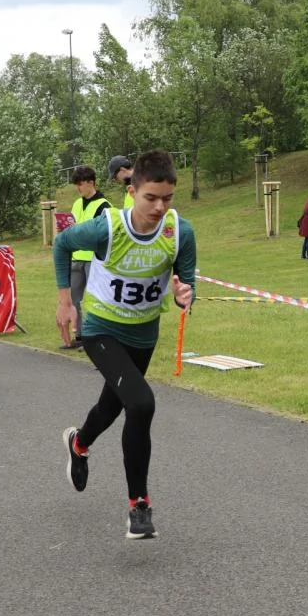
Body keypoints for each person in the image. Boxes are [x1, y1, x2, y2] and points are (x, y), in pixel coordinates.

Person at [53, 149, 197, 540]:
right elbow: (62, 244)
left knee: (112, 406)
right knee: (141, 403)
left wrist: (185, 294)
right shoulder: (107, 228)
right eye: (151, 197)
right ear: (132, 191)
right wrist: (66, 302)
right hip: (101, 330)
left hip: (143, 335)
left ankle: (79, 443)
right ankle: (139, 506)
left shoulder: (180, 232)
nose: (159, 207)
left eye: (167, 199)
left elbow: (186, 283)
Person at [64, 165, 111, 350]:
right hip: (76, 256)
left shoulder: (104, 206)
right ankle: (80, 336)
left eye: (80, 184)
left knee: (94, 300)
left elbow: (104, 234)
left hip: (93, 259)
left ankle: (94, 338)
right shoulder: (77, 203)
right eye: (76, 184)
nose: (78, 188)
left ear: (91, 183)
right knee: (73, 299)